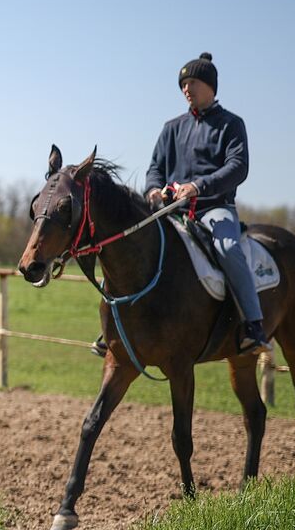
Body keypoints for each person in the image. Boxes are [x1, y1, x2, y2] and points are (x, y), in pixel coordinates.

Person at [89, 52, 267, 357]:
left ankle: (253, 324)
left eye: (193, 82)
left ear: (210, 86)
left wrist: (199, 186)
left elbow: (238, 166)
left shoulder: (231, 124)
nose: (187, 88)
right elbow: (155, 167)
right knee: (130, 246)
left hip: (214, 209)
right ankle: (113, 327)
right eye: (183, 84)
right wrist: (154, 189)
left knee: (227, 248)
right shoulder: (172, 127)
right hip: (172, 211)